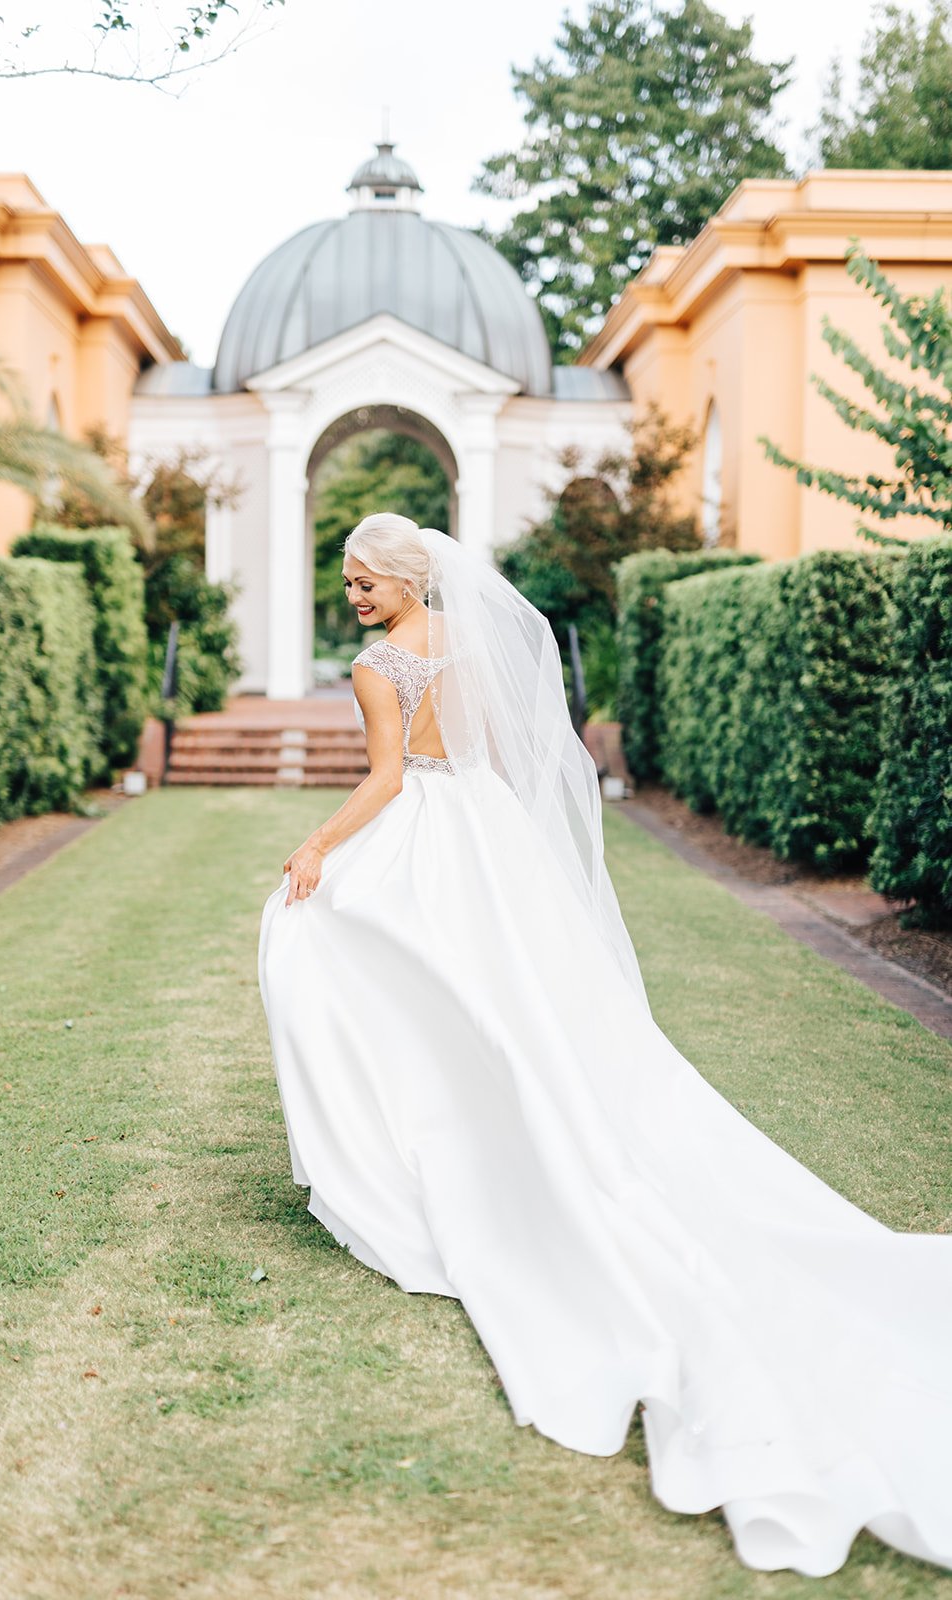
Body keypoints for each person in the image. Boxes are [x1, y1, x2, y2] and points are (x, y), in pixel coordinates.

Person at [258, 513, 952, 1579]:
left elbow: (391, 778)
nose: (352, 596)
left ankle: (412, 1156)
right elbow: (494, 753)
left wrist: (313, 844)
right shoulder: (469, 638)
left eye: (363, 581)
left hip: (425, 839)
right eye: (347, 583)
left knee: (320, 947)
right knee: (514, 1006)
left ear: (405, 578)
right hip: (489, 835)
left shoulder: (376, 666)